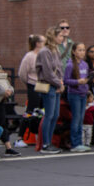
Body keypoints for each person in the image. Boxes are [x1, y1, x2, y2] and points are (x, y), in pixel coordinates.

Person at [36, 26, 66, 154]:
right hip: (48, 86)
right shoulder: (45, 51)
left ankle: (49, 142)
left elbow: (59, 69)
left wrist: (61, 82)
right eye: (60, 36)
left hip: (56, 86)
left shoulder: (56, 50)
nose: (62, 38)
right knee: (49, 115)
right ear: (53, 37)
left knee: (55, 115)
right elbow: (48, 72)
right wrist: (59, 83)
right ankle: (45, 144)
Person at [15, 34, 45, 147]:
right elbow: (22, 73)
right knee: (30, 111)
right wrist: (29, 83)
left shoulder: (43, 55)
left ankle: (39, 136)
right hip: (33, 85)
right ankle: (20, 137)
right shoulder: (29, 56)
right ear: (37, 43)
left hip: (43, 85)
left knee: (42, 111)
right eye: (43, 42)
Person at [64, 43, 90, 152]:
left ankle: (80, 142)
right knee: (76, 118)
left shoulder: (85, 64)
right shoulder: (70, 65)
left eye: (83, 50)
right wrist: (77, 82)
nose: (82, 52)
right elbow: (66, 80)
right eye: (79, 50)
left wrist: (87, 83)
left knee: (81, 119)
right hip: (74, 94)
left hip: (83, 93)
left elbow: (87, 77)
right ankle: (75, 143)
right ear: (74, 52)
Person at [0, 50, 21, 157]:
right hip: (0, 96)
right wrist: (3, 91)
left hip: (0, 100)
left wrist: (10, 90)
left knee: (2, 123)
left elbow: (6, 82)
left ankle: (8, 147)